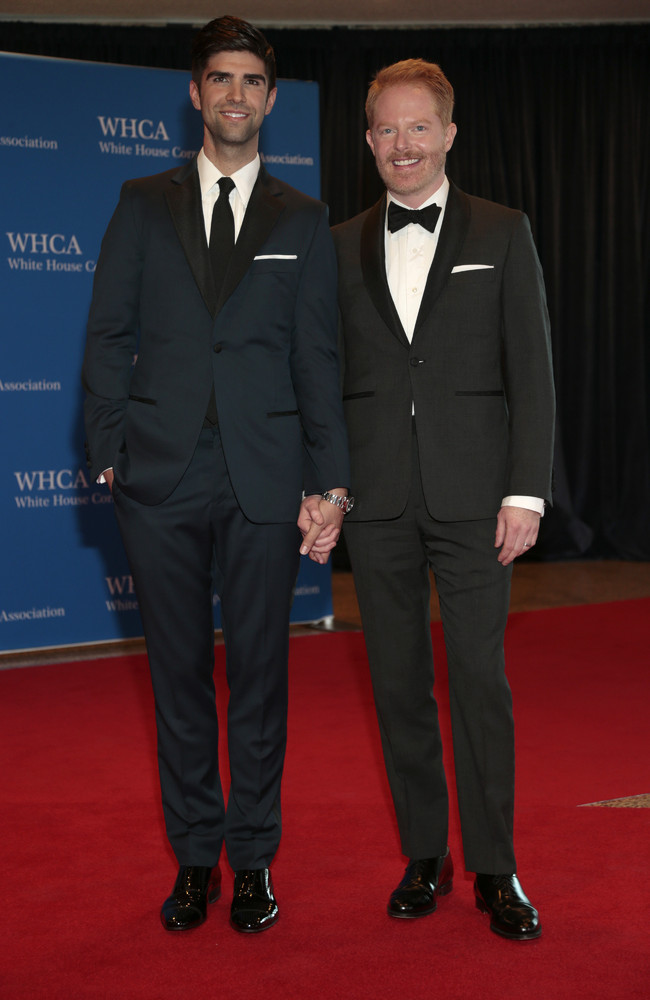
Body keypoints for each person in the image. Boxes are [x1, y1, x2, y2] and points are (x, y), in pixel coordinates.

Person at [82, 15, 350, 935]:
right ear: (195, 94)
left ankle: (254, 862)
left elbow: (318, 360)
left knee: (263, 679)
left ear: (269, 100)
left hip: (266, 480)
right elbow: (109, 336)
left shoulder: (303, 219)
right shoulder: (139, 201)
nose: (234, 94)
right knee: (179, 677)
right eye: (219, 79)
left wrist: (333, 481)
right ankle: (195, 858)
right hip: (158, 478)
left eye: (250, 81)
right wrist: (110, 450)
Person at [332, 58, 555, 941]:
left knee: (479, 683)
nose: (402, 144)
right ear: (368, 141)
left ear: (450, 134)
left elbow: (531, 373)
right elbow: (330, 376)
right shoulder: (341, 240)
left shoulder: (504, 231)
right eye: (385, 129)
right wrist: (330, 483)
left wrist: (526, 492)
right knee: (397, 686)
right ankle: (424, 854)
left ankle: (495, 867)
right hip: (378, 499)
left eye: (418, 126)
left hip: (475, 499)